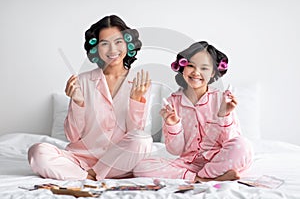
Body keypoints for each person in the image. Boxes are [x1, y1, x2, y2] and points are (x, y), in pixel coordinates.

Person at [28, 15, 153, 181]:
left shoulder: (139, 82)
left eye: (118, 42)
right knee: (37, 152)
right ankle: (89, 176)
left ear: (128, 44)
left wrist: (136, 101)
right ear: (96, 48)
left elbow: (134, 133)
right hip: (80, 160)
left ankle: (90, 175)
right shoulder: (83, 81)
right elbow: (72, 136)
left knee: (143, 140)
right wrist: (78, 103)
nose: (112, 49)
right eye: (104, 43)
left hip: (117, 162)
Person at [133, 41, 253, 182]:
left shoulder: (222, 99)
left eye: (204, 68)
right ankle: (205, 178)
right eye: (191, 66)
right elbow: (175, 150)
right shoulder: (173, 102)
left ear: (213, 72)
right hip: (189, 164)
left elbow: (230, 141)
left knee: (243, 146)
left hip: (219, 160)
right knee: (142, 167)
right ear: (182, 67)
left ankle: (203, 176)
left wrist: (224, 115)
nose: (196, 73)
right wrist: (173, 125)